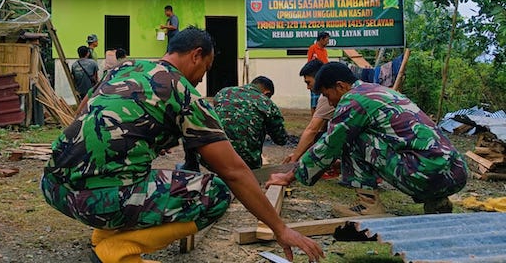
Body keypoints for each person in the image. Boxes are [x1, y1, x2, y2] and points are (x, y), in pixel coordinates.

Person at [41, 26, 324, 263]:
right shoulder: (183, 93)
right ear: (196, 55)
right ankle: (116, 249)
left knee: (131, 172)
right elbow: (234, 171)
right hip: (97, 202)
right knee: (216, 193)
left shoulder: (124, 68)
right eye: (206, 68)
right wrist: (280, 228)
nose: (202, 77)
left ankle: (103, 234)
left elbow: (81, 115)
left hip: (54, 187)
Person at [267, 62, 468, 217]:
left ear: (340, 86)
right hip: (455, 173)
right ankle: (437, 201)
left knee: (349, 136)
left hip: (425, 175)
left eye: (328, 95)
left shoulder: (353, 100)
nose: (330, 102)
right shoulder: (378, 91)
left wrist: (289, 176)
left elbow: (329, 144)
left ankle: (368, 206)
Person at [213, 76, 288, 169]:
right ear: (267, 93)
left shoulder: (223, 93)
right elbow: (281, 139)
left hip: (214, 156)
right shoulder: (267, 103)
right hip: (247, 162)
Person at [282, 59, 334, 164]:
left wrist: (295, 158)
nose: (307, 87)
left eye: (308, 82)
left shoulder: (326, 97)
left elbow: (312, 130)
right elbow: (321, 129)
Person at [306, 31, 330, 116]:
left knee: (322, 100)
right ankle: (313, 118)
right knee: (314, 101)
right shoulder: (313, 48)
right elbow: (309, 63)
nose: (328, 42)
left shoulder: (325, 51)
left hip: (323, 78)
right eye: (327, 40)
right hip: (315, 78)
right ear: (321, 39)